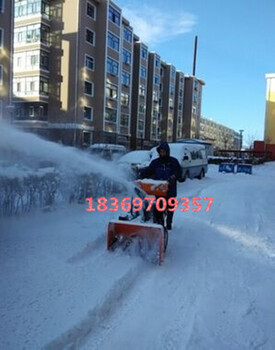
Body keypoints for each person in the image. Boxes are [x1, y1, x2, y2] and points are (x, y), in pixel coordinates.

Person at [139, 142, 181, 230]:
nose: (162, 153)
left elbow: (179, 172)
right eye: (160, 151)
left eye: (164, 151)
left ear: (167, 152)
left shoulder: (173, 162)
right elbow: (148, 171)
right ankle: (160, 225)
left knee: (170, 207)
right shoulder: (156, 162)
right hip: (159, 190)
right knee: (159, 207)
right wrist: (139, 172)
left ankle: (169, 223)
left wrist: (173, 177)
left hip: (171, 190)